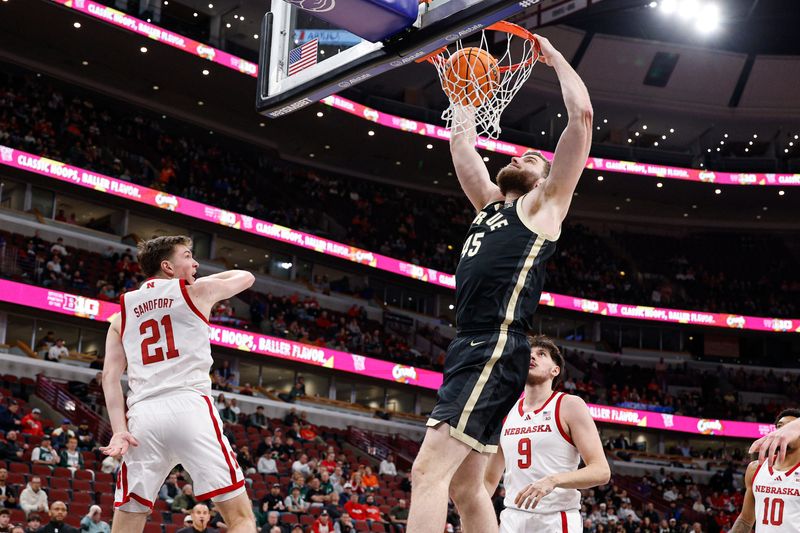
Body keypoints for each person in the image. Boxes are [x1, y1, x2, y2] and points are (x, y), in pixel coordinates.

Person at [407, 35, 593, 533]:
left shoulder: (543, 208)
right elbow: (459, 140)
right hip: (473, 345)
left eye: (534, 158)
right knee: (468, 488)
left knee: (427, 472)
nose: (523, 154)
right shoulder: (491, 206)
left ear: (542, 181)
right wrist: (461, 89)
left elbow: (582, 120)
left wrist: (555, 60)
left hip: (492, 344)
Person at [100, 236, 256, 533]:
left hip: (142, 418)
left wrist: (119, 429)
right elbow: (246, 277)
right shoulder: (197, 292)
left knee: (129, 519)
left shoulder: (120, 314)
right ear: (168, 266)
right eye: (188, 256)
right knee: (241, 518)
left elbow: (109, 377)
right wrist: (196, 282)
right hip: (189, 408)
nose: (195, 263)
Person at [483, 336, 609, 532]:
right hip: (511, 519)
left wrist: (553, 480)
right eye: (529, 354)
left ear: (555, 370)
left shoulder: (569, 405)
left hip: (555, 519)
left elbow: (601, 471)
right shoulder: (506, 410)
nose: (532, 357)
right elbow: (490, 480)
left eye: (541, 354)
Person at [731, 408, 800, 532]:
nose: (782, 432)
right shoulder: (755, 468)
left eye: (789, 428)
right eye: (780, 427)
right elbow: (745, 520)